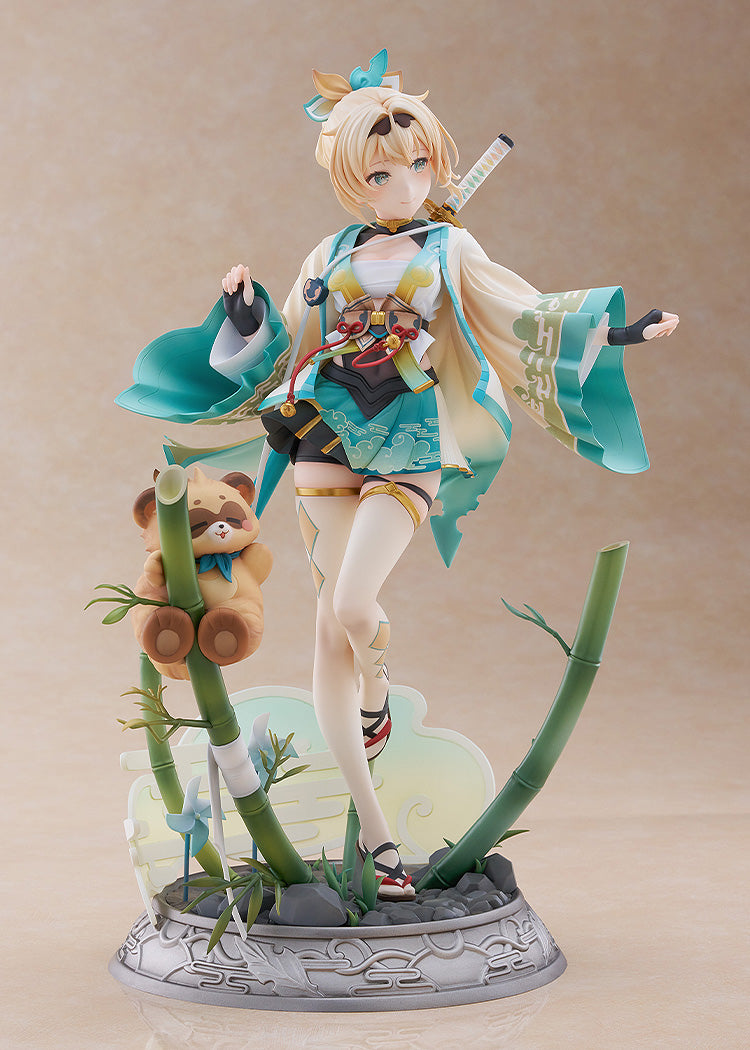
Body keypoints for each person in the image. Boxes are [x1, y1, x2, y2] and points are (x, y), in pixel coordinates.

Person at [118, 50, 678, 898]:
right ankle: (380, 840)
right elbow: (291, 343)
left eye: (418, 165)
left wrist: (617, 333)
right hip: (324, 437)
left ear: (436, 165)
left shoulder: (452, 246)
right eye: (382, 172)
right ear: (354, 178)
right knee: (327, 632)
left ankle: (377, 689)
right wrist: (247, 315)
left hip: (409, 443)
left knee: (354, 605)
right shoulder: (330, 251)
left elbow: (524, 315)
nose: (404, 184)